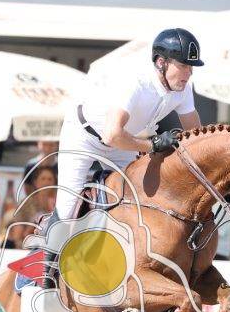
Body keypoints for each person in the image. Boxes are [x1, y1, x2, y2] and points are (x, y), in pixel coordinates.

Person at [49, 28, 203, 230]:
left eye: (191, 67)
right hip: (84, 137)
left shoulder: (183, 90)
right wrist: (154, 144)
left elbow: (198, 138)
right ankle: (46, 250)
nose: (189, 73)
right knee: (67, 210)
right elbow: (112, 135)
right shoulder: (136, 82)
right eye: (183, 65)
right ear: (161, 62)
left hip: (123, 142)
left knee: (138, 202)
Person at [0, 164, 57, 248]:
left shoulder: (59, 203)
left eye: (50, 179)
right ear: (36, 182)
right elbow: (18, 231)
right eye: (43, 179)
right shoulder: (26, 203)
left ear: (54, 183)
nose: (46, 182)